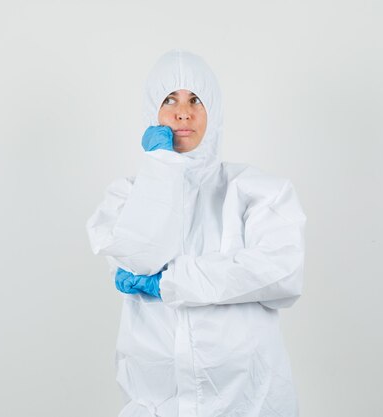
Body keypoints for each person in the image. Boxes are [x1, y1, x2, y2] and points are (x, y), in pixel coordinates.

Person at [86, 49, 307, 417]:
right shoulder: (127, 195)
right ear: (150, 113)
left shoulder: (258, 190)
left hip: (247, 401)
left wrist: (172, 281)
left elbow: (281, 272)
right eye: (168, 99)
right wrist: (162, 167)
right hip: (157, 399)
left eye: (196, 100)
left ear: (214, 112)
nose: (182, 112)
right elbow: (142, 252)